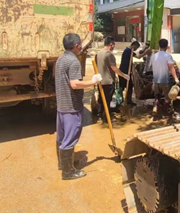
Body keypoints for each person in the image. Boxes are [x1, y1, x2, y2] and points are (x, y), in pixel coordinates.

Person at [55, 33, 102, 180]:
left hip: (61, 105)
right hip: (71, 106)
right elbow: (74, 84)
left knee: (61, 137)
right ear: (76, 46)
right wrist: (93, 82)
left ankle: (63, 164)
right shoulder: (73, 61)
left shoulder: (60, 59)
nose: (81, 47)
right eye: (80, 44)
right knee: (70, 137)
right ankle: (68, 172)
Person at [95, 36, 129, 120]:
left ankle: (100, 114)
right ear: (111, 44)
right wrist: (124, 76)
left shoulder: (98, 54)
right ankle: (107, 117)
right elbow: (114, 68)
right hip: (108, 81)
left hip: (100, 81)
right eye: (114, 45)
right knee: (107, 100)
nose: (114, 47)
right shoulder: (109, 54)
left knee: (101, 99)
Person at [150, 39, 179, 116]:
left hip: (155, 80)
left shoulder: (154, 56)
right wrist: (176, 78)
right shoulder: (168, 56)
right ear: (166, 46)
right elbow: (171, 68)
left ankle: (155, 107)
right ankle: (164, 110)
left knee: (157, 95)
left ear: (159, 46)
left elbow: (151, 67)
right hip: (164, 80)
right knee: (167, 97)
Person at [119, 40, 141, 105]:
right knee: (128, 86)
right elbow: (139, 57)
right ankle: (126, 100)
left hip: (123, 71)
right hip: (125, 72)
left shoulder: (127, 50)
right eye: (136, 48)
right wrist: (146, 53)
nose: (136, 49)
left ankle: (124, 100)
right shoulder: (129, 51)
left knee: (123, 87)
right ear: (134, 46)